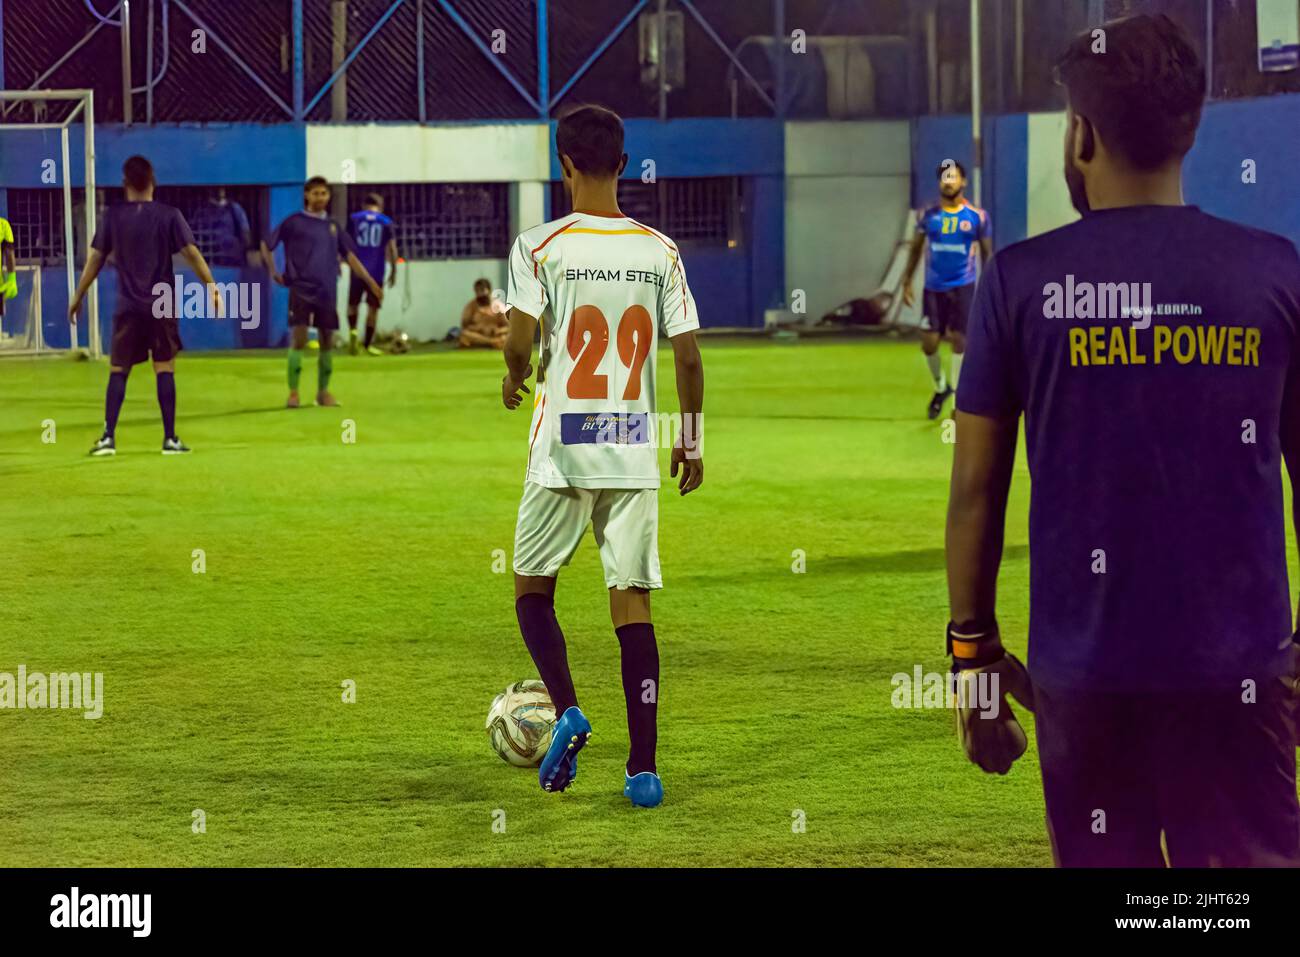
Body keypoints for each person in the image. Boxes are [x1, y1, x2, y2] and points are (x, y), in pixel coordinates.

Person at [946, 14, 1300, 867]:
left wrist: (973, 656)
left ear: (1081, 135)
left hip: (1086, 681)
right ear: (1193, 127)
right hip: (1241, 676)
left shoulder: (1018, 283)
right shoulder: (1275, 272)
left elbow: (976, 493)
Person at [501, 105, 705, 809]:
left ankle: (567, 708)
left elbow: (520, 341)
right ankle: (642, 770)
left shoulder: (539, 246)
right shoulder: (660, 250)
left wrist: (511, 374)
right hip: (630, 446)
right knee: (632, 604)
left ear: (563, 166)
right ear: (623, 165)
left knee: (532, 587)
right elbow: (688, 355)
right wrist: (691, 437)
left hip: (564, 447)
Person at [69, 156, 219, 456]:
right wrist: (212, 287)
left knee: (119, 369)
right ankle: (169, 439)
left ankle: (108, 438)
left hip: (128, 306)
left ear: (125, 183)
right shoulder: (169, 215)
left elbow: (96, 258)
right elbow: (191, 252)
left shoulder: (113, 216)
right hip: (162, 304)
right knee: (164, 367)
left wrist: (78, 294)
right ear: (154, 182)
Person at [261, 176, 383, 408]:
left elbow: (350, 257)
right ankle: (294, 392)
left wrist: (370, 282)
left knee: (327, 340)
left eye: (324, 193)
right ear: (306, 195)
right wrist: (273, 271)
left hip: (327, 290)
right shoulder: (293, 222)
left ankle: (323, 392)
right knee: (300, 338)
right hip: (300, 288)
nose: (321, 198)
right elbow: (266, 245)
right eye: (316, 193)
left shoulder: (334, 226)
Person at [901, 161, 992, 419]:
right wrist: (907, 280)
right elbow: (916, 248)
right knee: (929, 344)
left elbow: (987, 253)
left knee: (960, 341)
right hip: (934, 288)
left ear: (963, 182)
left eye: (953, 177)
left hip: (963, 285)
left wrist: (989, 287)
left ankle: (957, 404)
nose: (948, 181)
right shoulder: (928, 216)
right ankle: (941, 387)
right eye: (944, 177)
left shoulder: (977, 217)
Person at [346, 192, 398, 355]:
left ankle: (353, 333)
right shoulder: (385, 222)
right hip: (376, 272)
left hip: (357, 270)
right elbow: (392, 248)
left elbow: (345, 243)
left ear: (363, 206)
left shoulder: (354, 219)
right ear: (380, 207)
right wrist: (394, 271)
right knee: (373, 308)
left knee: (353, 305)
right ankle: (367, 345)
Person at [189, 187, 251, 268]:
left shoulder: (234, 208)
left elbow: (246, 234)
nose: (219, 189)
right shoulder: (202, 212)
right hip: (211, 261)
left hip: (233, 261)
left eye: (221, 186)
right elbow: (194, 236)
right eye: (216, 186)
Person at [458, 278, 507, 349]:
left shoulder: (498, 306)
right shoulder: (471, 306)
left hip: (495, 335)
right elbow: (464, 326)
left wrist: (498, 331)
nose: (479, 294)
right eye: (477, 291)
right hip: (478, 335)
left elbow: (509, 327)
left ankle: (491, 342)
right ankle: (492, 342)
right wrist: (477, 328)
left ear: (489, 290)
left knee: (506, 337)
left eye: (482, 290)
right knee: (464, 335)